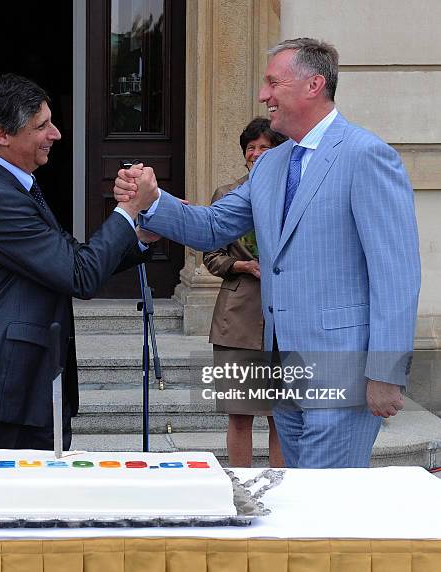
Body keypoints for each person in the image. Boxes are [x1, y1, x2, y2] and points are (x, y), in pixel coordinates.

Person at [114, 38, 421, 469]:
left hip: (344, 372)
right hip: (282, 371)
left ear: (314, 85)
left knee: (323, 511)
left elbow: (396, 275)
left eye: (273, 83)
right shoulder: (271, 165)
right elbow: (212, 226)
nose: (264, 95)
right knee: (297, 506)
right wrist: (152, 201)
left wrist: (386, 372)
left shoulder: (366, 155)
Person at [0, 74, 158, 467]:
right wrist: (126, 211)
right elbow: (80, 274)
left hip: (30, 388)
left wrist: (142, 234)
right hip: (1, 391)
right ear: (3, 134)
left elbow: (71, 257)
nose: (55, 134)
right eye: (41, 126)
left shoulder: (15, 186)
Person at [203, 118, 286, 467]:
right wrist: (244, 266)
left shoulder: (292, 194)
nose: (254, 153)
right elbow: (211, 256)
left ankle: (283, 488)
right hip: (237, 319)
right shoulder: (227, 194)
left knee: (281, 416)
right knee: (239, 413)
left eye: (263, 147)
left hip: (284, 320)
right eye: (250, 148)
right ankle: (240, 487)